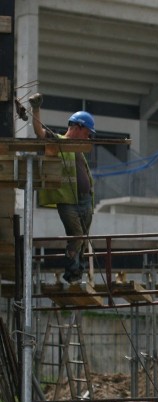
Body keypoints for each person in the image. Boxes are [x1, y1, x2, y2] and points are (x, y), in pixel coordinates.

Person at [29, 93, 96, 285]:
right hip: (67, 201)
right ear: (78, 127)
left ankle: (77, 274)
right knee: (77, 236)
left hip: (85, 200)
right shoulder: (57, 141)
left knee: (82, 240)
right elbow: (39, 132)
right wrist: (36, 109)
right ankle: (72, 274)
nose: (89, 136)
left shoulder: (79, 149)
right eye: (88, 132)